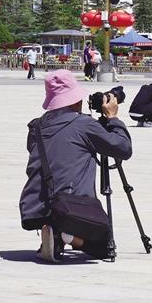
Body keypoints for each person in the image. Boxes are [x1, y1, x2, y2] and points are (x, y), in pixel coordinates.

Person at [19, 69, 133, 262]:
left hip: (36, 207)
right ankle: (67, 236)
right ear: (74, 100)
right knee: (103, 247)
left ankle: (54, 235)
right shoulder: (83, 125)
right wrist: (113, 118)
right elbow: (123, 149)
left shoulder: (36, 126)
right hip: (70, 206)